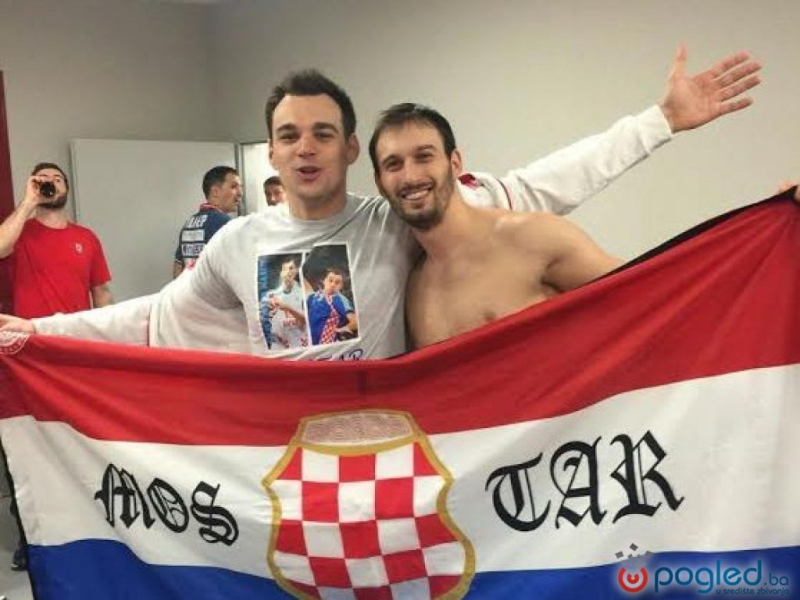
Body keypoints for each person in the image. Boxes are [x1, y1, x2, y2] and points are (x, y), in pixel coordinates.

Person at [1, 48, 762, 361]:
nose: (305, 148)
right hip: (286, 455)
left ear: (348, 149)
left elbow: (535, 188)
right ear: (272, 154)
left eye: (322, 134)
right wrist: (36, 330)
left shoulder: (397, 218)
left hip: (399, 442)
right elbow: (151, 319)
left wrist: (659, 122)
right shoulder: (237, 244)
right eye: (289, 136)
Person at [370, 103, 624, 348]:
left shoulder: (534, 238)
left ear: (455, 163)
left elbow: (638, 299)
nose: (411, 176)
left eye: (424, 157)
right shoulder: (416, 294)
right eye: (394, 164)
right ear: (380, 183)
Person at [0, 161, 114, 571]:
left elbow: (102, 294)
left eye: (57, 179)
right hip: (28, 358)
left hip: (75, 356)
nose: (50, 184)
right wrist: (28, 202)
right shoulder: (20, 232)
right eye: (42, 179)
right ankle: (30, 536)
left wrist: (106, 342)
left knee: (77, 441)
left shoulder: (86, 238)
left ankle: (87, 525)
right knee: (28, 445)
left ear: (67, 187)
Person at [173, 166, 242, 278]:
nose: (240, 193)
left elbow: (178, 267)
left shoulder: (189, 223)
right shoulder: (225, 223)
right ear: (215, 192)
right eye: (234, 187)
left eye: (240, 187)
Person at [260, 255, 307, 349]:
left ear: (296, 271)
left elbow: (306, 321)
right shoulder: (271, 295)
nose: (288, 272)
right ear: (281, 273)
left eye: (291, 268)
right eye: (285, 269)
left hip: (297, 343)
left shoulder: (304, 294)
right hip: (278, 344)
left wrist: (288, 308)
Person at [306, 267, 358, 345]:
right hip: (309, 343)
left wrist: (341, 330)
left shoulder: (340, 300)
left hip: (325, 345)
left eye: (337, 283)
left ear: (341, 286)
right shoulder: (313, 297)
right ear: (324, 281)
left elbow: (355, 322)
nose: (333, 284)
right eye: (330, 280)